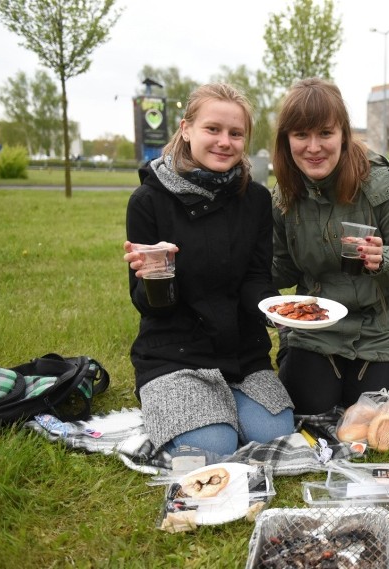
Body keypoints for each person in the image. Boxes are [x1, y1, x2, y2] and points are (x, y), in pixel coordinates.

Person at [123, 83, 295, 459]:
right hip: (174, 352)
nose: (225, 142)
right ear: (186, 129)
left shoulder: (255, 199)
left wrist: (278, 312)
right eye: (212, 129)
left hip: (242, 353)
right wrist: (157, 275)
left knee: (274, 435)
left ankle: (227, 402)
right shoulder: (148, 201)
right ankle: (196, 410)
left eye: (236, 133)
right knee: (212, 447)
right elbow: (150, 308)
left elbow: (255, 278)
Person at [271, 78, 389, 415]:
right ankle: (293, 349)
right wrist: (239, 259)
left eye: (325, 133)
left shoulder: (383, 186)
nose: (313, 147)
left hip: (384, 327)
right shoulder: (284, 195)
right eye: (301, 135)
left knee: (366, 412)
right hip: (317, 325)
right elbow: (283, 267)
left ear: (343, 133)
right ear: (287, 140)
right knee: (309, 407)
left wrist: (383, 259)